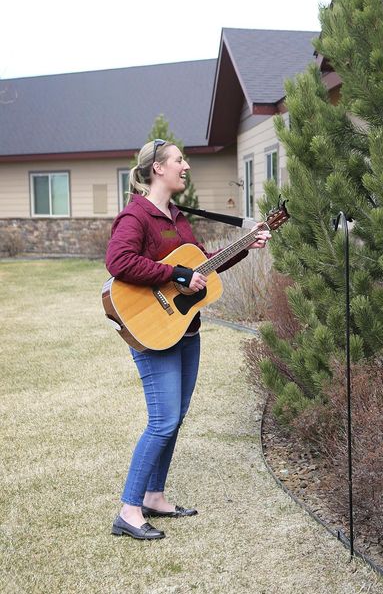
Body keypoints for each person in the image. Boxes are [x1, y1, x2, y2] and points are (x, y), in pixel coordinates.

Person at [105, 139, 270, 540]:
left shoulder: (176, 217)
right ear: (158, 168)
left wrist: (247, 245)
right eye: (180, 160)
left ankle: (154, 496)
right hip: (151, 329)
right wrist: (175, 275)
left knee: (174, 418)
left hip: (184, 329)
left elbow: (200, 265)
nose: (186, 166)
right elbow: (118, 261)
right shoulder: (137, 215)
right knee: (161, 422)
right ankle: (129, 510)